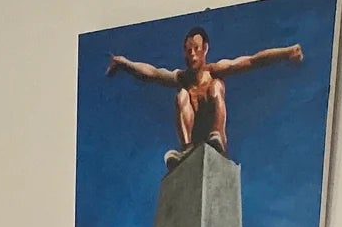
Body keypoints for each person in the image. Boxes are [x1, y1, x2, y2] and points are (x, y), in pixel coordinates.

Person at [107, 26, 303, 167]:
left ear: (205, 49)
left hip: (214, 142)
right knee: (182, 94)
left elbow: (253, 60)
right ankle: (186, 150)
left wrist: (287, 52)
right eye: (188, 50)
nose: (192, 54)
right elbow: (151, 73)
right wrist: (123, 62)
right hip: (193, 143)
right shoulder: (182, 78)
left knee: (216, 86)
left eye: (196, 49)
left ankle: (216, 136)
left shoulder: (214, 71)